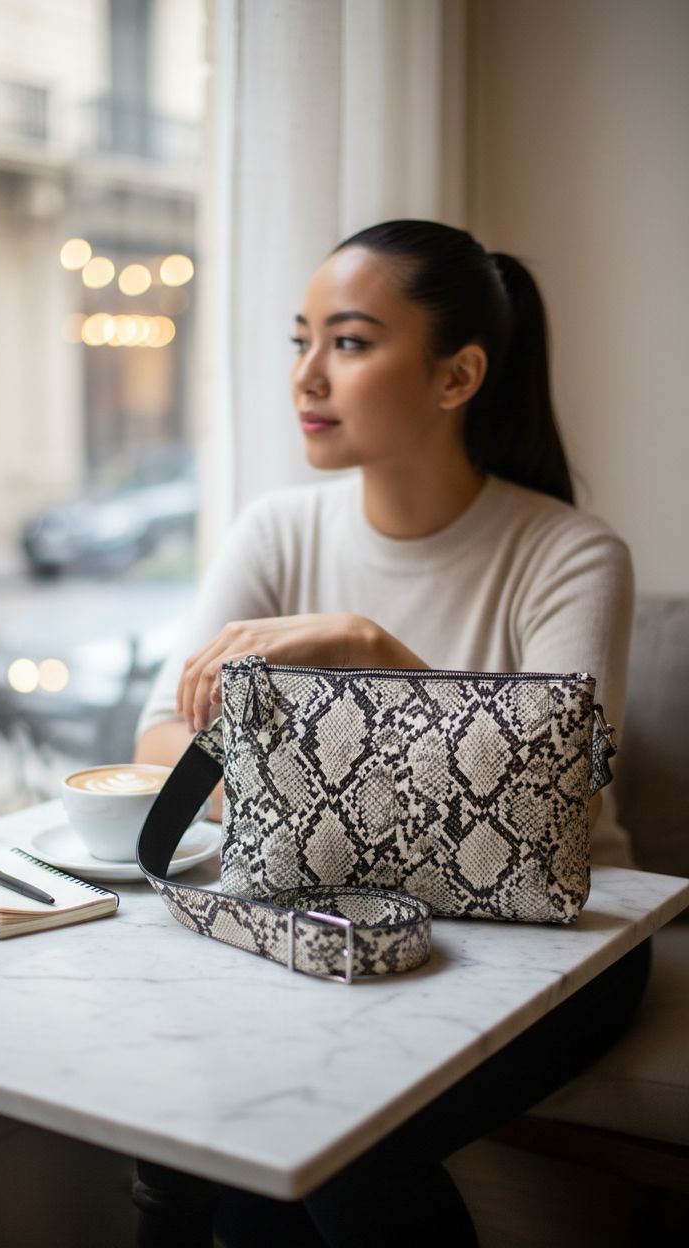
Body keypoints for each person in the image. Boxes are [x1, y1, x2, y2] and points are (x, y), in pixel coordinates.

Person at [134, 221, 650, 1246]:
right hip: (331, 919)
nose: (307, 377)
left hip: (554, 947)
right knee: (216, 1134)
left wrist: (364, 645)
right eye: (299, 341)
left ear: (457, 375)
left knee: (339, 1139)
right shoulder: (276, 531)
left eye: (351, 342)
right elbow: (160, 747)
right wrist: (379, 803)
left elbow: (552, 810)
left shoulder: (570, 553)